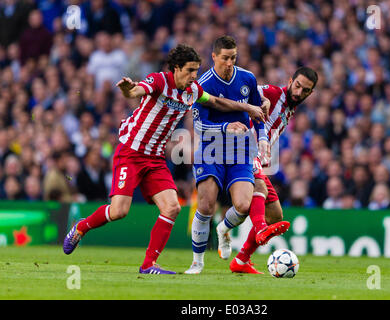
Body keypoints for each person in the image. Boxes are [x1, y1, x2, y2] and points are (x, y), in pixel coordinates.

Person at [63, 44, 265, 275]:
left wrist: (248, 107)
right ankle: (80, 227)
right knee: (119, 211)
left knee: (172, 207)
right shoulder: (159, 81)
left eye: (196, 71)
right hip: (131, 152)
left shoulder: (193, 91)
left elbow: (216, 102)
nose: (194, 76)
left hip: (156, 158)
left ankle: (149, 264)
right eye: (189, 70)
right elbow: (137, 91)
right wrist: (128, 90)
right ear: (176, 68)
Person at [184, 36, 288, 275]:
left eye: (233, 57)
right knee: (207, 205)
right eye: (225, 58)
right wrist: (225, 127)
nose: (230, 62)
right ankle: (197, 262)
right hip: (211, 150)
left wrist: (262, 138)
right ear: (214, 57)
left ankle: (224, 229)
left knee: (243, 205)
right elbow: (199, 126)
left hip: (241, 151)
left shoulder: (247, 78)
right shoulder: (204, 83)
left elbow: (257, 114)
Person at [215, 66, 318, 273]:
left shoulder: (291, 108)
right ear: (290, 81)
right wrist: (259, 100)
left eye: (305, 90)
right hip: (239, 148)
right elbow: (244, 91)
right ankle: (260, 228)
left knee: (276, 215)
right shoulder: (272, 92)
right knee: (259, 190)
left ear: (310, 93)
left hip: (256, 158)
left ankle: (241, 259)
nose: (299, 93)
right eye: (297, 86)